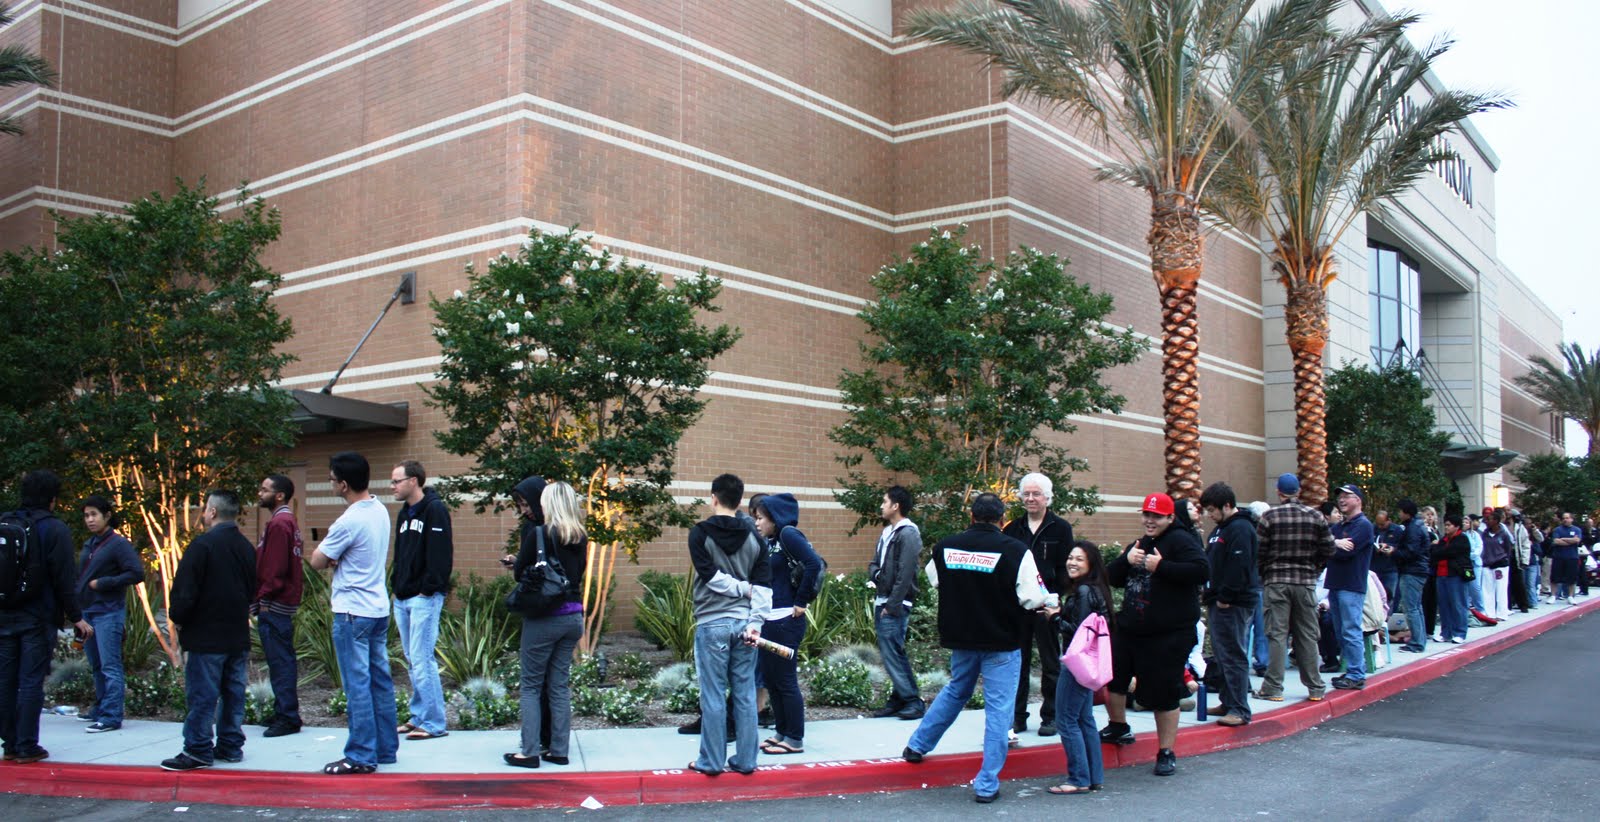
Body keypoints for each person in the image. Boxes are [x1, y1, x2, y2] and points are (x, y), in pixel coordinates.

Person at [902, 492, 1047, 803]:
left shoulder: (945, 547)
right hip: (1002, 640)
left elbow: (935, 579)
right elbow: (1033, 597)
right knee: (999, 710)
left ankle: (917, 745)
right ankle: (986, 784)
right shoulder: (1015, 550)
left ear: (971, 516)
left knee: (956, 690)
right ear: (1002, 520)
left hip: (961, 637)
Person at [1097, 492, 1209, 777]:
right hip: (1131, 628)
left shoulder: (1181, 540)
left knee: (1164, 693)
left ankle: (1166, 751)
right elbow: (1110, 577)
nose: (1150, 520)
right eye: (1146, 514)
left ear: (1170, 517)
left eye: (1156, 516)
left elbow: (1201, 571)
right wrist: (1126, 560)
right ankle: (1118, 726)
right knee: (1114, 678)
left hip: (1168, 634)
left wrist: (1162, 567)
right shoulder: (1141, 543)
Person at [309, 451, 398, 775]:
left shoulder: (348, 521)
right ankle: (385, 749)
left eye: (332, 480)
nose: (331, 484)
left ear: (343, 484)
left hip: (351, 611)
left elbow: (316, 561)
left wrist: (333, 557)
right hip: (377, 609)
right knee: (380, 681)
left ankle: (360, 755)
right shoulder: (379, 510)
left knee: (357, 684)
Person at [0, 470, 92, 764]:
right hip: (38, 617)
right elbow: (64, 578)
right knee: (31, 681)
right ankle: (27, 745)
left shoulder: (6, 522)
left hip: (4, 615)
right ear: (52, 499)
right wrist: (76, 617)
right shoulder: (54, 529)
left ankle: (10, 743)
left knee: (5, 681)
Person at [161, 490, 256, 771]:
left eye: (205, 508)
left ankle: (198, 749)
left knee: (203, 695)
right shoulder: (246, 548)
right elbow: (254, 588)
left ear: (212, 512)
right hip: (237, 634)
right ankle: (230, 746)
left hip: (205, 635)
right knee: (233, 694)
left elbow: (184, 591)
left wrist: (178, 618)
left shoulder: (202, 546)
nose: (204, 513)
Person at [685, 473, 771, 776]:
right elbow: (763, 585)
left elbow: (708, 576)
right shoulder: (755, 539)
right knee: (745, 693)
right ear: (739, 500)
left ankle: (711, 761)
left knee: (713, 695)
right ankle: (746, 760)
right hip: (745, 624)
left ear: (713, 498)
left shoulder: (699, 534)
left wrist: (740, 589)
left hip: (712, 623)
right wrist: (755, 621)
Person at [502, 481, 587, 768]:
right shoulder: (580, 536)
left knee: (530, 685)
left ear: (549, 504)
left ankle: (529, 751)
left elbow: (520, 574)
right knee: (559, 685)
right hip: (573, 616)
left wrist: (517, 562)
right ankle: (559, 750)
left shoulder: (539, 533)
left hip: (546, 617)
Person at [751, 493, 823, 755]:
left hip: (786, 621)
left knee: (785, 680)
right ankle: (781, 732)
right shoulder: (771, 542)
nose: (757, 523)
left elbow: (813, 563)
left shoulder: (788, 535)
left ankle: (794, 738)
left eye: (761, 518)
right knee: (771, 679)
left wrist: (801, 601)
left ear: (774, 518)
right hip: (770, 620)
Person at [1002, 472, 1072, 737]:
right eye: (1027, 494)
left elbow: (1065, 567)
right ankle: (1017, 716)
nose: (1030, 498)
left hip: (1047, 607)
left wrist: (1057, 598)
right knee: (1016, 662)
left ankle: (1050, 716)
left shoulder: (1060, 528)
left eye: (1036, 494)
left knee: (1050, 662)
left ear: (1047, 498)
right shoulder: (1012, 529)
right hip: (1018, 606)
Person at [1253, 473, 1334, 703]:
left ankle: (1273, 688)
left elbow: (1259, 552)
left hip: (1277, 581)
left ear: (1279, 492)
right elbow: (1329, 549)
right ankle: (1315, 688)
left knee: (1277, 634)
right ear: (1298, 491)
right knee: (1307, 634)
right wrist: (1314, 568)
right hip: (1305, 582)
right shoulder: (1315, 516)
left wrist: (1267, 572)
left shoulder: (1269, 517)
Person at [390, 460, 453, 742]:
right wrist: (396, 586)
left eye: (397, 481)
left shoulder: (435, 510)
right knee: (412, 659)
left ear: (413, 480)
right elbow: (399, 554)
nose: (393, 486)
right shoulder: (405, 513)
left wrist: (427, 590)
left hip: (423, 598)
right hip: (403, 597)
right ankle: (418, 716)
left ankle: (435, 722)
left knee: (422, 658)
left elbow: (442, 555)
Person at [1042, 540, 1111, 795]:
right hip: (1089, 663)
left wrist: (1055, 617)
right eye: (1071, 558)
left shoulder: (1083, 592)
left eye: (1079, 559)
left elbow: (1080, 631)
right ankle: (1093, 776)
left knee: (1066, 720)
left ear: (1091, 564)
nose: (1072, 562)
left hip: (1076, 662)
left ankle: (1078, 778)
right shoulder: (1096, 589)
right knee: (1084, 718)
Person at [75, 495, 143, 734]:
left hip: (108, 612)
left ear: (107, 516)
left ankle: (112, 715)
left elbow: (136, 573)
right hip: (88, 612)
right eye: (86, 515)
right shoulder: (90, 544)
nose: (90, 519)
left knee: (110, 665)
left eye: (94, 514)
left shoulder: (118, 544)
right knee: (96, 664)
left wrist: (104, 583)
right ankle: (100, 708)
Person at [1199, 482, 1258, 727]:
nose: (1209, 515)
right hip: (1218, 600)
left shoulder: (1240, 528)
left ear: (1226, 505)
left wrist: (1226, 597)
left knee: (1233, 654)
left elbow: (1239, 566)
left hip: (1233, 603)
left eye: (1212, 510)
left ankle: (1239, 708)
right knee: (1222, 654)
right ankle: (1228, 701)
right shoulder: (1220, 530)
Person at [868, 485, 924, 720]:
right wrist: (877, 575)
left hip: (895, 604)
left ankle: (912, 701)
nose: (881, 506)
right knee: (891, 651)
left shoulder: (908, 533)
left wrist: (892, 604)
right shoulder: (887, 532)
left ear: (896, 506)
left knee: (893, 652)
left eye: (884, 501)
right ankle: (899, 698)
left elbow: (906, 572)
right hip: (883, 599)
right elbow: (874, 563)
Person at [254, 474, 304, 737]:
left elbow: (274, 568)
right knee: (280, 659)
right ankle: (283, 711)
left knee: (280, 660)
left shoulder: (279, 524)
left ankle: (287, 717)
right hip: (279, 603)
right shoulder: (286, 521)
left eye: (265, 490)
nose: (260, 493)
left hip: (275, 605)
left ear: (280, 495)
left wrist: (263, 599)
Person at [1326, 484, 1375, 690]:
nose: (1342, 499)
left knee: (1350, 630)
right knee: (1340, 631)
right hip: (1335, 584)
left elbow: (1347, 552)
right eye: (1340, 496)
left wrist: (1332, 545)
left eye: (1347, 496)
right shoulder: (1338, 527)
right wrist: (1337, 543)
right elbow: (1321, 545)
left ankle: (1356, 673)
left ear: (1358, 500)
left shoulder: (1363, 525)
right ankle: (1352, 670)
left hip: (1351, 586)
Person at [1392, 500, 1431, 653]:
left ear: (1406, 512)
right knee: (1416, 607)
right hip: (1418, 570)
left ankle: (1416, 642)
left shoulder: (1412, 529)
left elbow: (1410, 552)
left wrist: (1393, 552)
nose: (1399, 514)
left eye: (1400, 511)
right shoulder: (1417, 526)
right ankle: (1419, 640)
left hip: (1412, 571)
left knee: (1411, 608)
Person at [1430, 515, 1473, 643]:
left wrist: (1438, 549)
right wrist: (1438, 549)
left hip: (1456, 575)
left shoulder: (1462, 539)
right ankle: (1446, 633)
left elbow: (1448, 552)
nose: (1446, 527)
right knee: (1444, 605)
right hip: (1441, 575)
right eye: (1446, 525)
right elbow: (1435, 553)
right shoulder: (1444, 539)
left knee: (1458, 604)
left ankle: (1460, 632)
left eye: (1449, 525)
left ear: (1457, 526)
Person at [1479, 509, 1512, 621]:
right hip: (1487, 564)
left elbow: (1508, 549)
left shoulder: (1504, 534)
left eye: (1489, 519)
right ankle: (1490, 614)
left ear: (1496, 521)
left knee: (1501, 589)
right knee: (1487, 590)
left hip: (1500, 564)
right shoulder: (1484, 534)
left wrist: (1504, 558)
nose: (1487, 521)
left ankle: (1502, 614)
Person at [1548, 512, 1583, 603]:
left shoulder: (1577, 530)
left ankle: (1570, 596)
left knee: (1572, 578)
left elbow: (1577, 540)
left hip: (1572, 557)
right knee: (1555, 577)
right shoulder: (1557, 530)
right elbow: (1556, 541)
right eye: (1563, 518)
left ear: (1571, 519)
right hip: (1558, 557)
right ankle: (1553, 595)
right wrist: (1571, 541)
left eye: (1567, 518)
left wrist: (1563, 539)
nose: (1565, 520)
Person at [1372, 510, 1402, 614]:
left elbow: (1402, 547)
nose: (1380, 527)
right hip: (1374, 568)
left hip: (1390, 569)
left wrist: (1391, 547)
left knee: (1389, 596)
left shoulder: (1397, 530)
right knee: (1374, 596)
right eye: (1378, 524)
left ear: (1389, 520)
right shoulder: (1372, 529)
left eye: (1382, 524)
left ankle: (1388, 618)